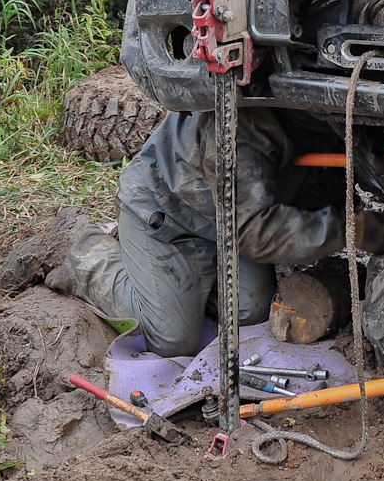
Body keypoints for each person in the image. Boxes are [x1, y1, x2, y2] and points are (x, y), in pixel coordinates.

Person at [45, 109, 342, 356]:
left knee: (249, 312)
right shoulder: (240, 118)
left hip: (228, 220)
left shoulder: (323, 119)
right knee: (171, 339)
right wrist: (356, 231)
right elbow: (254, 231)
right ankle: (87, 254)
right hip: (167, 209)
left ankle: (179, 282)